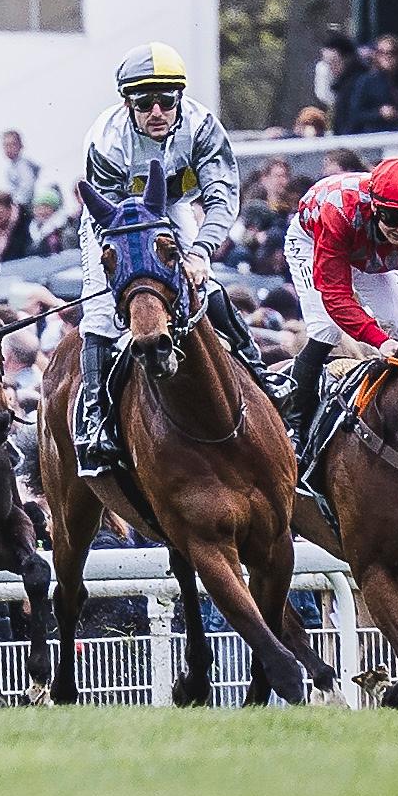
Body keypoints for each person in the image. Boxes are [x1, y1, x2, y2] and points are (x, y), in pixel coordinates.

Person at [70, 42, 251, 478]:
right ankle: (95, 415)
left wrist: (202, 251)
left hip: (173, 210)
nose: (157, 111)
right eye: (145, 102)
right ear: (127, 103)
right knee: (99, 310)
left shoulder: (203, 126)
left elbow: (223, 195)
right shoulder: (107, 141)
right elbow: (109, 223)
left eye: (166, 100)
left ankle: (256, 369)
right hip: (116, 220)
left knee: (202, 285)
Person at [284, 157, 398, 479]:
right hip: (315, 240)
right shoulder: (339, 210)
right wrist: (378, 340)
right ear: (376, 206)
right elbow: (335, 295)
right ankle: (294, 426)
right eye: (394, 217)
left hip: (371, 251)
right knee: (326, 330)